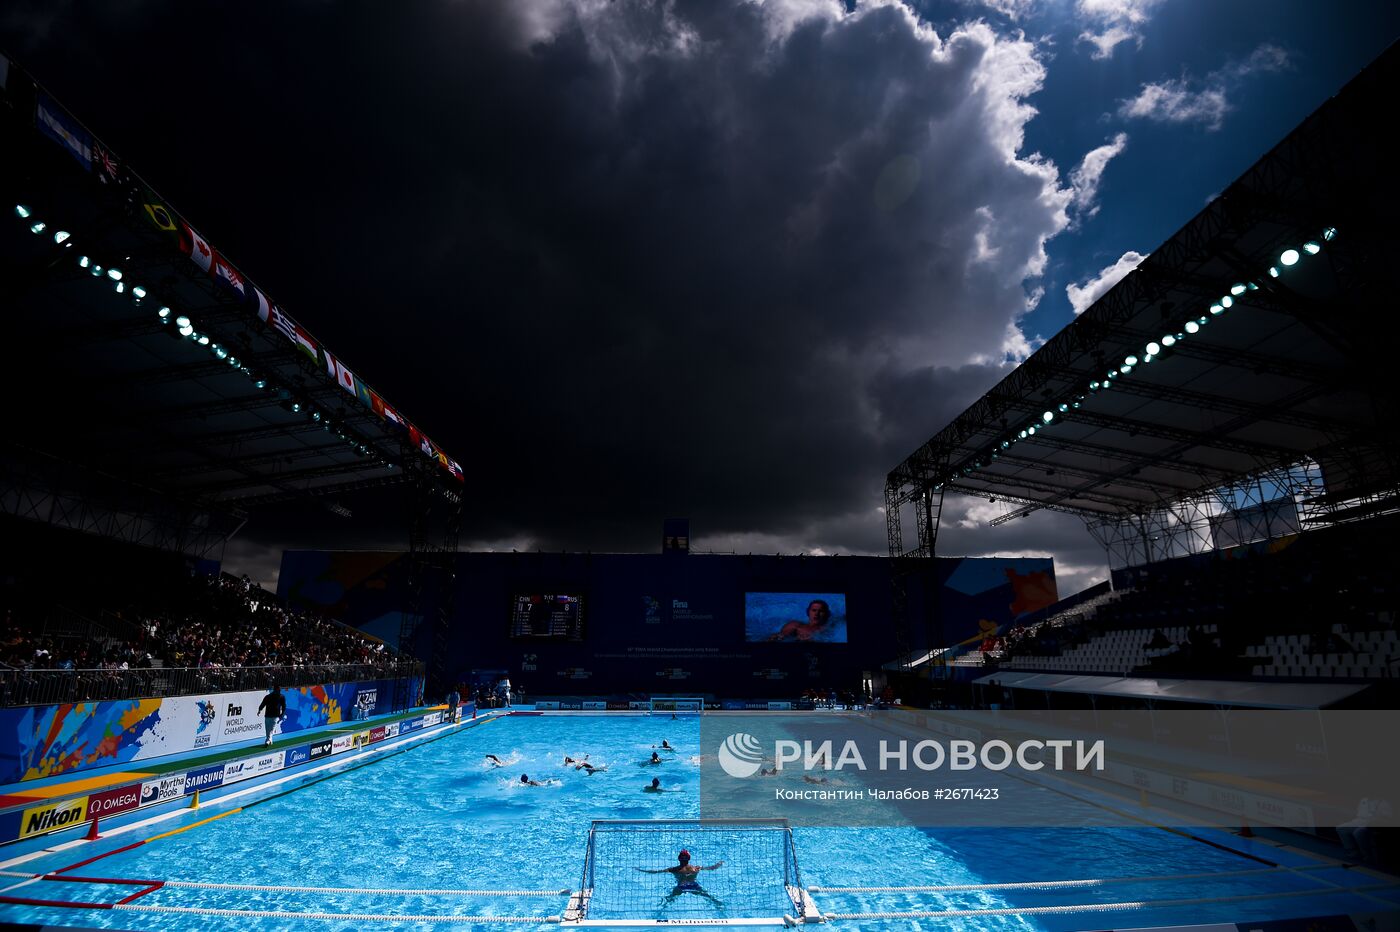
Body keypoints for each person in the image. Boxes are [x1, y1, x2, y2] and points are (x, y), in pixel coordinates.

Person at [636, 849, 724, 906]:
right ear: (689, 858)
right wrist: (719, 864)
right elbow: (711, 868)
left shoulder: (674, 869)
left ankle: (660, 910)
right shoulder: (696, 868)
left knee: (668, 900)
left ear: (679, 858)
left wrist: (642, 870)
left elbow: (655, 872)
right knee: (708, 896)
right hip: (694, 886)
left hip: (681, 887)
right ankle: (719, 904)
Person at [768, 600, 833, 642]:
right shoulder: (796, 626)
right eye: (814, 610)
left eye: (821, 611)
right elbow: (778, 637)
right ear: (808, 612)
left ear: (827, 614)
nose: (816, 613)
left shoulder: (830, 628)